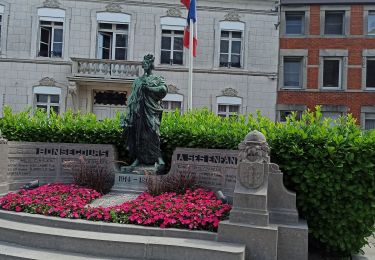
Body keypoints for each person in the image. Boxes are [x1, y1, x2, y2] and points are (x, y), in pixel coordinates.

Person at [121, 54, 167, 173]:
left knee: (153, 132)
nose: (144, 65)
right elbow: (132, 98)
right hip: (138, 112)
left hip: (151, 111)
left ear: (151, 65)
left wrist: (150, 89)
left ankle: (158, 158)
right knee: (138, 136)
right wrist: (129, 114)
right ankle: (138, 159)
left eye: (146, 63)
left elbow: (163, 90)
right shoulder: (138, 80)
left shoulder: (157, 79)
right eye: (143, 63)